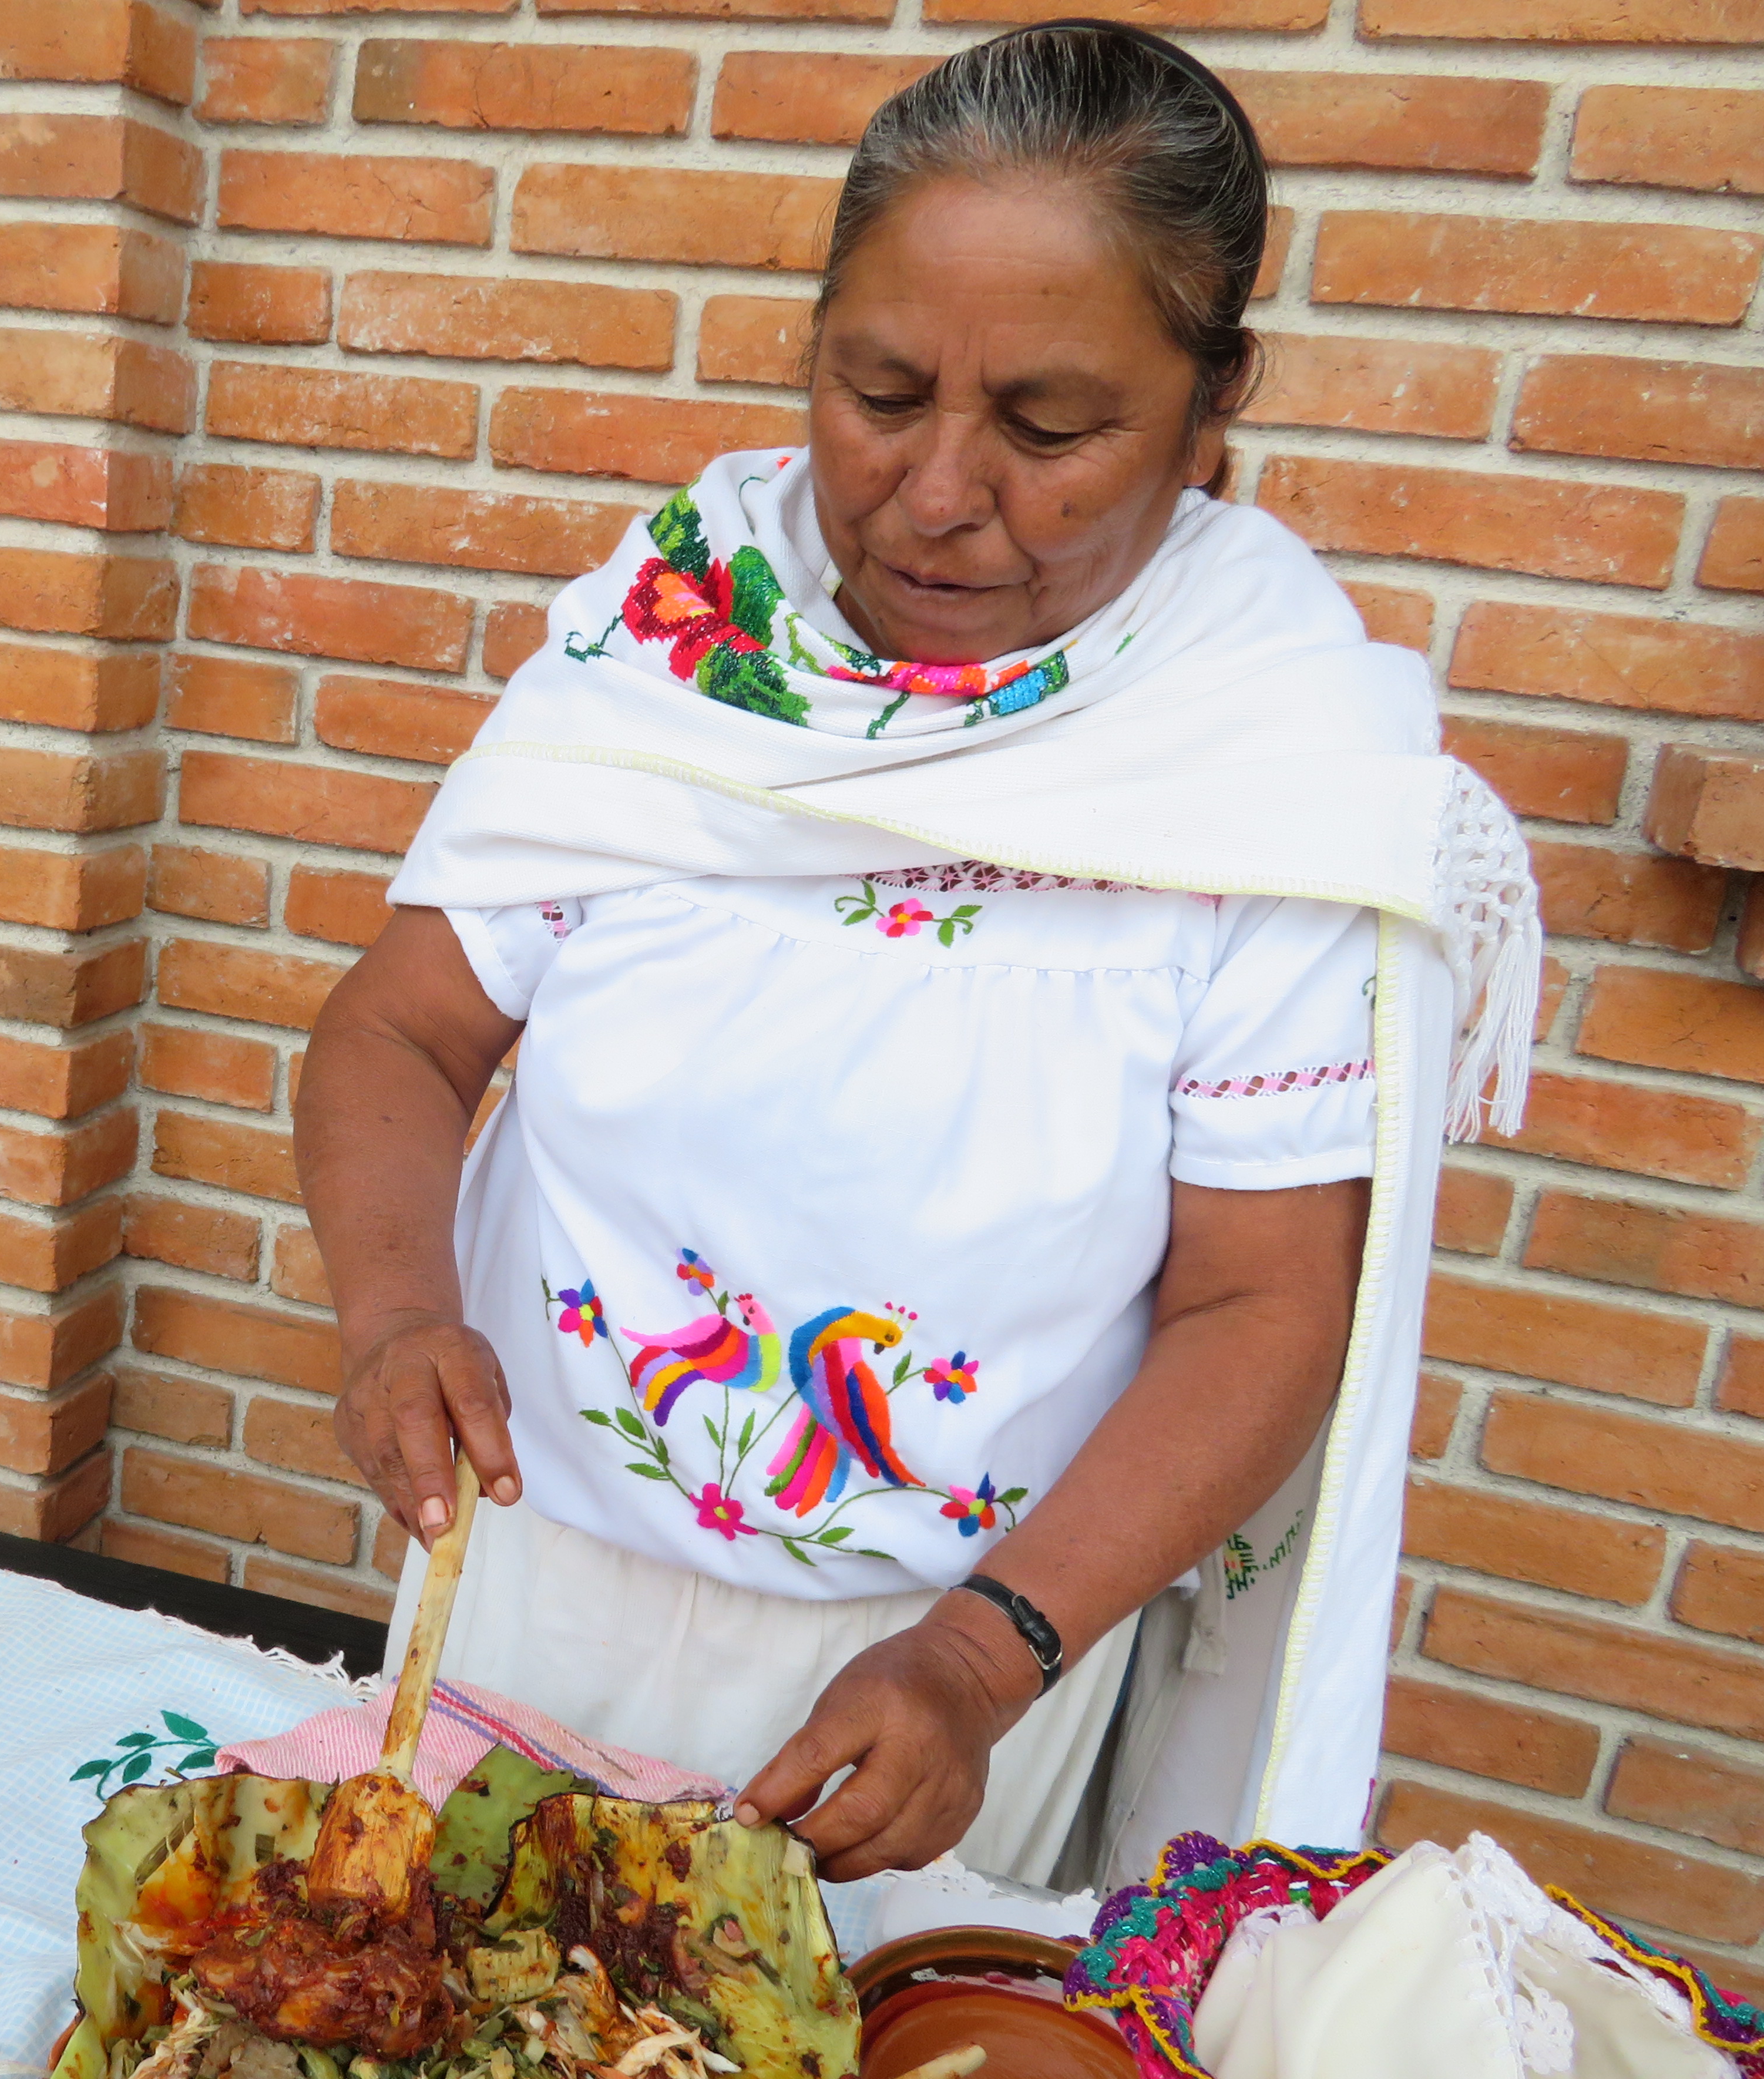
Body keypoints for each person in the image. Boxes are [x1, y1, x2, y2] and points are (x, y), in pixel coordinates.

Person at [294, 21, 1538, 1892]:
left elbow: (1264, 1304)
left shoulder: (1269, 764)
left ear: (1214, 408)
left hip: (938, 1677)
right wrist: (398, 1320)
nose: (940, 493)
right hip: (522, 1568)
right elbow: (401, 1030)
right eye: (879, 392)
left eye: (1049, 429)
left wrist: (981, 1660)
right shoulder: (677, 646)